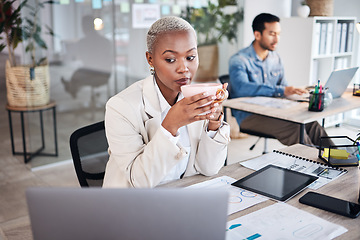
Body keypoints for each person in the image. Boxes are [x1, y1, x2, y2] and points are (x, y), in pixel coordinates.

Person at [103, 16, 230, 188]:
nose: (183, 68)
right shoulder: (120, 107)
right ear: (150, 59)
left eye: (190, 57)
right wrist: (170, 125)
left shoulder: (195, 98)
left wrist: (213, 124)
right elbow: (139, 182)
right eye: (170, 59)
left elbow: (209, 169)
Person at [229, 13, 330, 146]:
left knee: (311, 123)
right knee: (295, 129)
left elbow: (283, 88)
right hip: (250, 115)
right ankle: (314, 164)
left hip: (275, 110)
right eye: (272, 34)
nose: (277, 39)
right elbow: (242, 89)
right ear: (257, 35)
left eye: (278, 34)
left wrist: (298, 95)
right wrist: (282, 90)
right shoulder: (239, 60)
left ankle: (340, 160)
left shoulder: (275, 58)